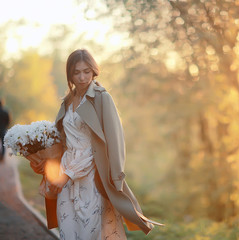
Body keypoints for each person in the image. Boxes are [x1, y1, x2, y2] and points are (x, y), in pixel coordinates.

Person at [44, 49, 155, 239]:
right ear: (70, 74)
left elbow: (106, 144)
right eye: (76, 72)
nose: (82, 77)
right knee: (67, 234)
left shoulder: (102, 98)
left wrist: (115, 176)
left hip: (92, 177)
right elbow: (62, 140)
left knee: (89, 234)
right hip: (65, 177)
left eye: (86, 71)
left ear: (94, 71)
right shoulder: (67, 101)